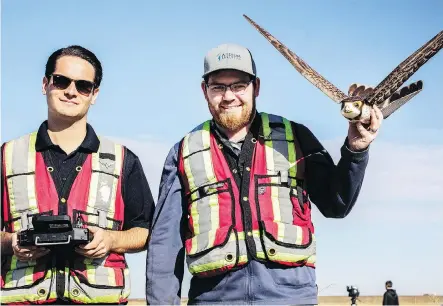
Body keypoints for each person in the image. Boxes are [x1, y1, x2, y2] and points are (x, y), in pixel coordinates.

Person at [145, 43, 383, 305]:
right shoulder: (183, 151)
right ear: (204, 91)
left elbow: (336, 203)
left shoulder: (296, 136)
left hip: (291, 299)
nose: (228, 96)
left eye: (238, 86)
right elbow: (164, 247)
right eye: (218, 87)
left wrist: (356, 150)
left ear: (255, 87)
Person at [0, 45, 155, 305]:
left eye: (83, 86)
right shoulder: (6, 157)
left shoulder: (123, 160)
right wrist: (12, 241)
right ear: (45, 84)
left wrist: (111, 239)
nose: (71, 91)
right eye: (61, 81)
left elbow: (146, 231)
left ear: (94, 94)